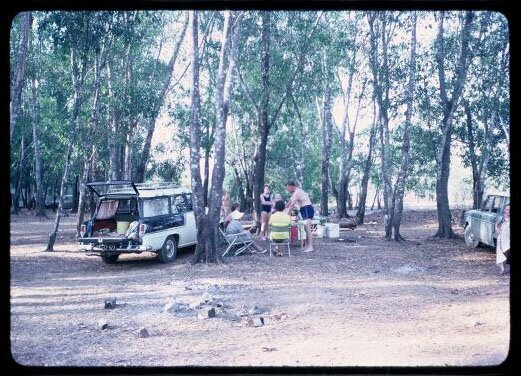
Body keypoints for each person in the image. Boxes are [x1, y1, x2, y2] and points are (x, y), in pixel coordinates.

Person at [285, 181, 314, 252]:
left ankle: (311, 247)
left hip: (307, 208)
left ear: (291, 186)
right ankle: (307, 245)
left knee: (307, 228)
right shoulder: (295, 193)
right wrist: (283, 207)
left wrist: (287, 214)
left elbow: (292, 204)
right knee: (305, 228)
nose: (287, 190)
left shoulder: (297, 192)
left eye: (287, 188)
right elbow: (290, 202)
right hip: (304, 209)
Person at [495, 204, 510, 275]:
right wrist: (497, 226)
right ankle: (503, 269)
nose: (508, 211)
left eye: (510, 210)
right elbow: (498, 232)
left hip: (509, 239)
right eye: (507, 209)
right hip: (502, 239)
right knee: (503, 254)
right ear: (504, 210)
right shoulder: (501, 219)